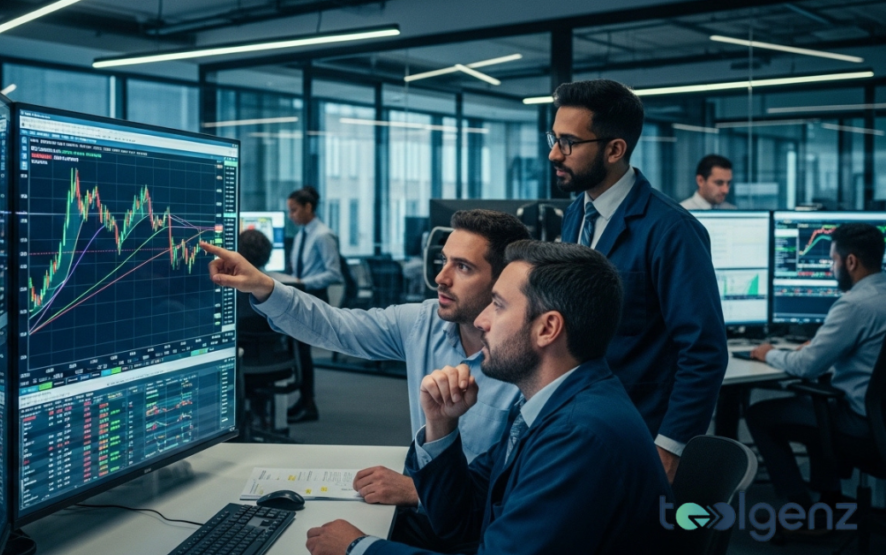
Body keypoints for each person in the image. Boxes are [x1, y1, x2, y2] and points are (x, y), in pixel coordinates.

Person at [303, 241, 672, 555]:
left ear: (547, 329)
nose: (480, 321)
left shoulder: (578, 435)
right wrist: (442, 426)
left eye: (497, 305)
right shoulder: (547, 406)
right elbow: (461, 520)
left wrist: (360, 549)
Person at [202, 209, 530, 508]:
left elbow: (519, 487)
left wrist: (418, 490)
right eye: (442, 261)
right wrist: (263, 286)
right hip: (428, 510)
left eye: (463, 267)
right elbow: (335, 326)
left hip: (476, 529)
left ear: (503, 281)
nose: (441, 278)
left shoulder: (529, 360)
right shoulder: (422, 322)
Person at [552, 79, 727, 482]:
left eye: (568, 142)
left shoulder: (672, 230)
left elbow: (704, 350)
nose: (554, 153)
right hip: (579, 423)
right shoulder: (578, 214)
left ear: (615, 149)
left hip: (637, 432)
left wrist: (670, 445)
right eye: (554, 138)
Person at [746, 223, 886, 510]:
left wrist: (769, 352)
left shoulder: (855, 305)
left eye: (833, 260)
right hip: (879, 422)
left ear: (851, 261)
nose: (832, 268)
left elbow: (806, 366)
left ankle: (800, 508)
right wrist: (820, 345)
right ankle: (829, 499)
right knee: (811, 403)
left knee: (760, 415)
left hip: (862, 427)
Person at [284, 186, 343, 423]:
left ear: (309, 207)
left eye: (294, 210)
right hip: (300, 295)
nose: (291, 216)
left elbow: (334, 273)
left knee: (303, 353)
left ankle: (309, 404)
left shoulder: (323, 235)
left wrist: (302, 281)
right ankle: (304, 400)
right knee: (299, 352)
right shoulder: (302, 234)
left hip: (314, 296)